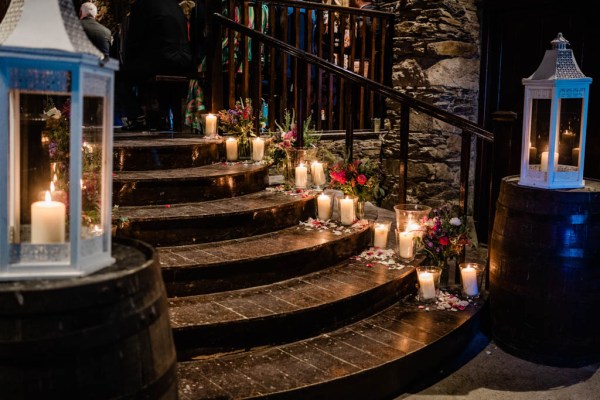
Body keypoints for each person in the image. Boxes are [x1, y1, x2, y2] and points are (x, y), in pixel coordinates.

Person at [120, 0, 193, 131]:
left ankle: (137, 117)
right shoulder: (175, 5)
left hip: (163, 60)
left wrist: (127, 63)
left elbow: (134, 41)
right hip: (184, 61)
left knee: (118, 75)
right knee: (141, 70)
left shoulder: (142, 5)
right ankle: (158, 115)